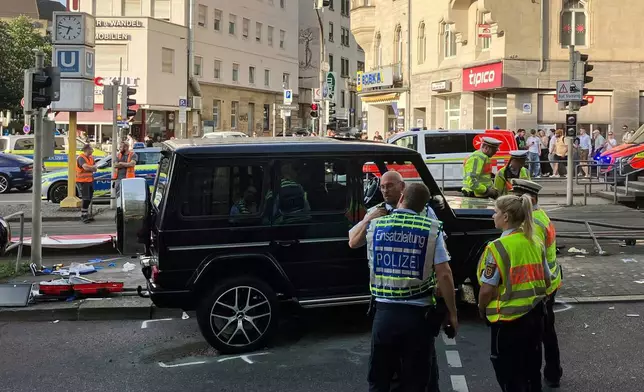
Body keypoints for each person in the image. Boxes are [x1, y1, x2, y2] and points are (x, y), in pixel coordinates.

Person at [349, 183, 458, 392]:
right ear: (424, 205)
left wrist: (368, 219)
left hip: (384, 315)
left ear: (401, 198)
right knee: (417, 379)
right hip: (418, 315)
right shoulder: (430, 229)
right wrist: (452, 313)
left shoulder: (376, 224)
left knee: (380, 377)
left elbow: (354, 241)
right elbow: (444, 274)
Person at [478, 194, 551, 392]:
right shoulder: (535, 240)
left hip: (508, 322)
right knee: (531, 370)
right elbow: (547, 279)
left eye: (496, 212)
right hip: (535, 317)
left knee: (508, 373)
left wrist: (481, 308)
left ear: (506, 217)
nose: (493, 216)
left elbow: (487, 289)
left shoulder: (497, 247)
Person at [510, 179, 563, 388]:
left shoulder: (533, 224)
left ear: (529, 200)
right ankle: (552, 372)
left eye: (517, 197)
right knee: (547, 331)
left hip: (541, 287)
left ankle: (547, 373)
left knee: (541, 333)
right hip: (547, 283)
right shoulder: (538, 218)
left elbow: (533, 259)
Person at [77, 144, 98, 223]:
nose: (92, 151)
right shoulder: (81, 158)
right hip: (83, 181)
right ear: (86, 150)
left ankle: (86, 214)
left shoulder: (91, 158)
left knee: (89, 198)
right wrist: (92, 168)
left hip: (89, 180)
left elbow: (95, 169)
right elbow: (85, 167)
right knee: (86, 198)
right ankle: (84, 215)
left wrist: (92, 168)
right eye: (91, 149)